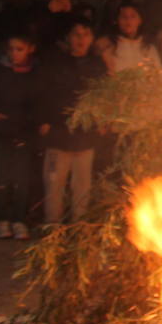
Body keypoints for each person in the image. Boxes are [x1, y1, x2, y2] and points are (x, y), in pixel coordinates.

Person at [38, 19, 106, 227]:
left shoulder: (97, 65)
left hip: (86, 132)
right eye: (76, 34)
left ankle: (80, 225)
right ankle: (53, 225)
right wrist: (44, 119)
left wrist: (102, 120)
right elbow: (43, 93)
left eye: (85, 34)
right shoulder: (55, 63)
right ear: (68, 37)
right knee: (54, 181)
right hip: (59, 130)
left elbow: (103, 96)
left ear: (92, 38)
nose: (81, 40)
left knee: (82, 183)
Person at [0, 32, 42, 239]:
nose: (14, 54)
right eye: (11, 49)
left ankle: (19, 219)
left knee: (21, 178)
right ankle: (2, 219)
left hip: (23, 130)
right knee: (1, 176)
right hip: (0, 130)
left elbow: (38, 101)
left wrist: (32, 122)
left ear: (30, 49)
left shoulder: (35, 72)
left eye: (19, 49)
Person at [99, 3, 162, 75]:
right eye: (123, 16)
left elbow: (159, 75)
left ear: (140, 20)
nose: (128, 20)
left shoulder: (149, 49)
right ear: (117, 21)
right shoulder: (107, 46)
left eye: (133, 16)